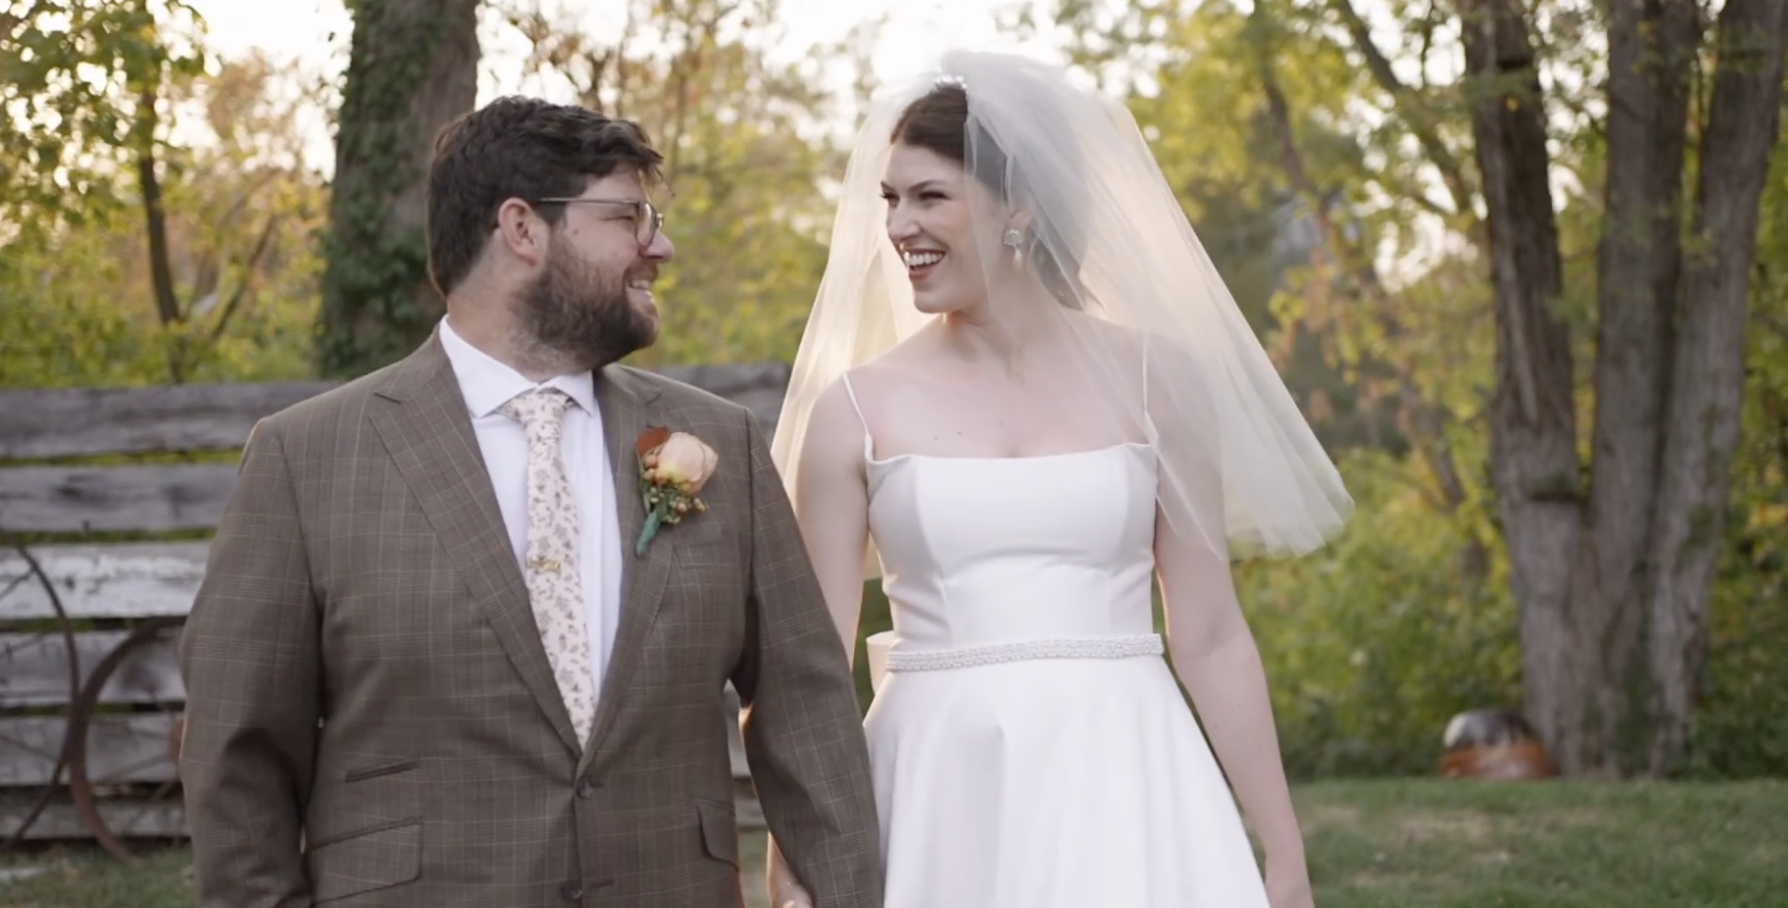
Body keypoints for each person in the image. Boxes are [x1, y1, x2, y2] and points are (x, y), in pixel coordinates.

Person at [178, 96, 883, 908]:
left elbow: (808, 714)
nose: (660, 246)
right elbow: (238, 755)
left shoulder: (718, 443)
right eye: (629, 217)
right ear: (522, 229)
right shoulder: (308, 459)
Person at [764, 50, 1354, 908]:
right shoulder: (854, 409)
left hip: (1125, 770)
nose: (898, 227)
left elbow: (1213, 634)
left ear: (1021, 209)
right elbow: (813, 663)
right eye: (890, 200)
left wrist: (1284, 853)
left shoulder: (1159, 381)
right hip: (936, 780)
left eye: (931, 197)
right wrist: (794, 850)